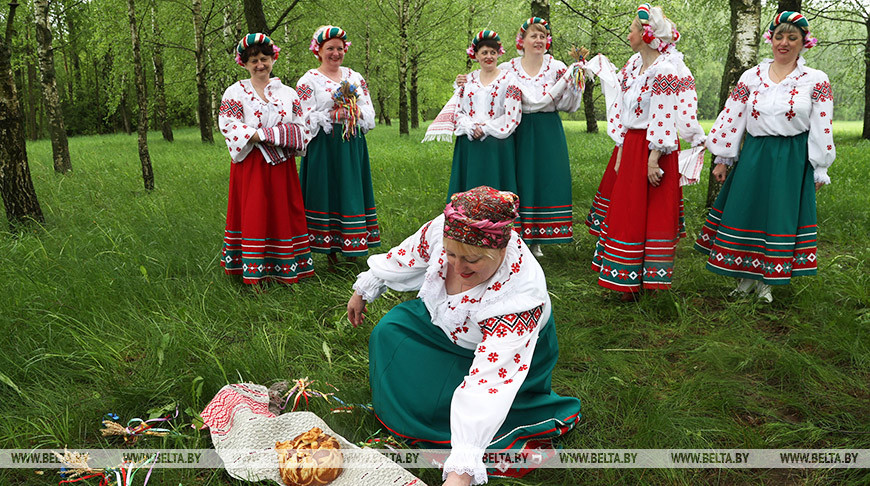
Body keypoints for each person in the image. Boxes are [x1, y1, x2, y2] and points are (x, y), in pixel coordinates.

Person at [347, 186, 582, 486]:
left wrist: (461, 470)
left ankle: (447, 427)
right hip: (446, 328)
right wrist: (367, 286)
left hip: (505, 357)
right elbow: (409, 255)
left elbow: (489, 382)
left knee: (439, 401)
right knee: (389, 332)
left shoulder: (518, 297)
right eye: (451, 254)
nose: (457, 267)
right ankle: (419, 407)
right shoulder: (447, 229)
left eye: (471, 260)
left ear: (500, 250)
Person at [695, 12, 835, 303]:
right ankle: (744, 280)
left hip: (792, 158)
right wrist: (723, 158)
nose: (783, 43)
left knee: (777, 217)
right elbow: (733, 115)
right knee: (749, 212)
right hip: (756, 154)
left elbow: (823, 124)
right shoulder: (752, 76)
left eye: (792, 37)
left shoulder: (815, 79)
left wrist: (819, 167)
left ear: (804, 42)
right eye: (778, 37)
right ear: (770, 40)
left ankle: (766, 285)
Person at [590, 4, 705, 299]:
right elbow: (622, 106)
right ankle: (627, 280)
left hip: (655, 147)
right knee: (628, 211)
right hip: (632, 145)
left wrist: (654, 158)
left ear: (645, 34)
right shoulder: (632, 65)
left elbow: (664, 113)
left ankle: (649, 284)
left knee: (652, 213)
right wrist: (619, 150)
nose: (628, 33)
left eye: (632, 29)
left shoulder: (665, 69)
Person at [218, 33, 314, 285]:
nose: (260, 65)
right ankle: (253, 273)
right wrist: (261, 135)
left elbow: (301, 129)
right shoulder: (235, 92)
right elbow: (228, 126)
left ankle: (285, 270)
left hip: (282, 166)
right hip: (251, 165)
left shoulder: (289, 94)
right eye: (253, 61)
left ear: (273, 59)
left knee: (281, 212)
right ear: (244, 64)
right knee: (254, 213)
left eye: (264, 58)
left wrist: (273, 135)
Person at [296, 25, 379, 268]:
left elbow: (370, 113)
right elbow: (303, 118)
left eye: (340, 49)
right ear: (318, 50)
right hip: (324, 146)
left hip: (351, 144)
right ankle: (328, 248)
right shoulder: (308, 80)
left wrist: (353, 110)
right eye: (329, 48)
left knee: (350, 190)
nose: (335, 53)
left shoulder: (355, 77)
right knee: (326, 191)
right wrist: (332, 114)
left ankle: (353, 248)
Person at [446, 31, 523, 198]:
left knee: (497, 193)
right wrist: (470, 127)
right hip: (470, 144)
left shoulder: (509, 80)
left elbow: (512, 114)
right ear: (476, 55)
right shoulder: (468, 80)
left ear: (498, 54)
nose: (489, 57)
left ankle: (498, 224)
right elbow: (457, 110)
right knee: (468, 191)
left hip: (497, 146)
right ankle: (466, 223)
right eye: (484, 52)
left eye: (493, 52)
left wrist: (486, 128)